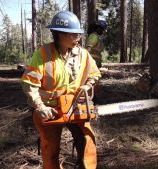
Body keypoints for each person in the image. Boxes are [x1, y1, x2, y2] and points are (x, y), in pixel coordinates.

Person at [21, 11, 101, 169]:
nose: (78, 37)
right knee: (50, 147)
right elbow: (29, 82)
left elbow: (95, 74)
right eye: (73, 34)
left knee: (87, 139)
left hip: (75, 105)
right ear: (60, 34)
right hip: (50, 109)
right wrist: (40, 106)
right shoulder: (43, 54)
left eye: (78, 33)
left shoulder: (83, 54)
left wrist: (88, 85)